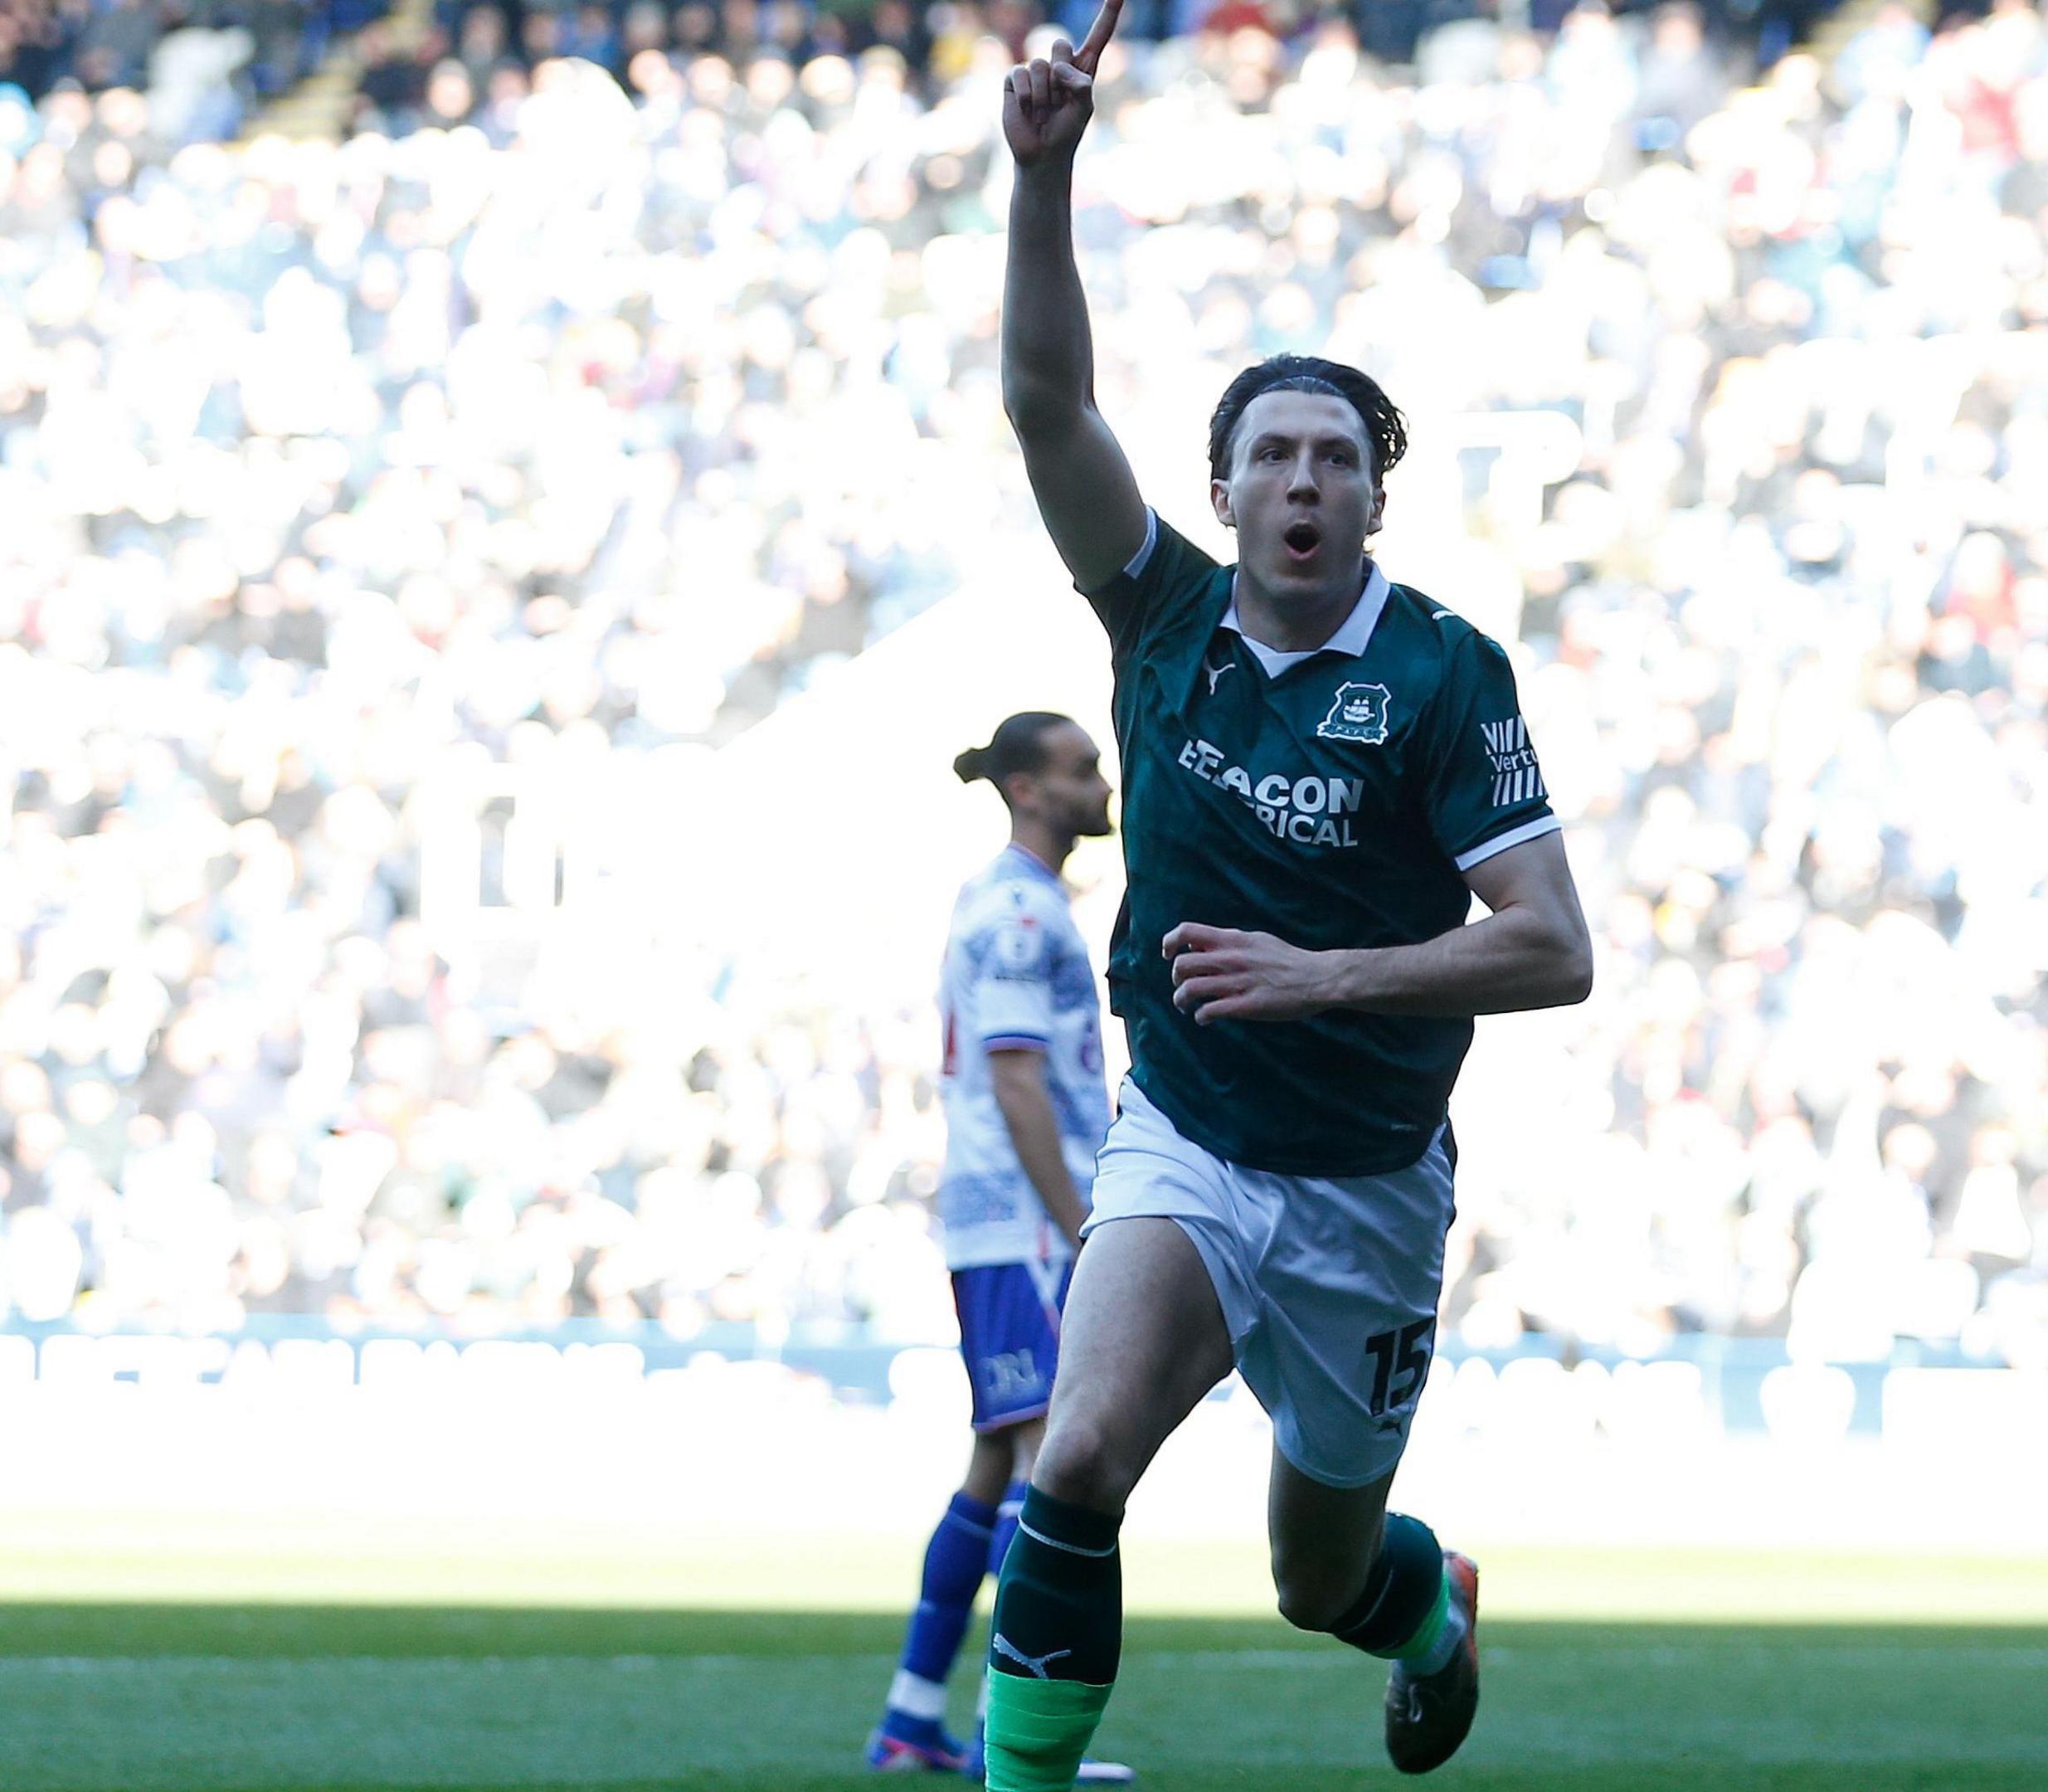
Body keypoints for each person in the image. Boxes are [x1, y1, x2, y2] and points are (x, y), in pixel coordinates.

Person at [979, 11, 1598, 1789]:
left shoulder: (1443, 673)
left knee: (1314, 1579)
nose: (1304, 479)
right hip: (1188, 1135)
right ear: (1225, 491)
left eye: (1336, 455)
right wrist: (1043, 175)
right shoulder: (1160, 615)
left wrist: (1321, 979)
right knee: (1080, 1453)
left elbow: (1553, 947)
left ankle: (1429, 1607)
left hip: (1368, 1188)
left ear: (1372, 491)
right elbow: (1042, 401)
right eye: (1274, 454)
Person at [867, 713, 1135, 1783]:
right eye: (1082, 769)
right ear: (1028, 790)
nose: (1101, 781)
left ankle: (909, 1717)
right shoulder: (1023, 909)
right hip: (1030, 1219)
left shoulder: (1000, 899)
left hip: (994, 1215)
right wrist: (1079, 1217)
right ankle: (1002, 1748)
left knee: (996, 1456)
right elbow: (1018, 1075)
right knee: (1048, 1467)